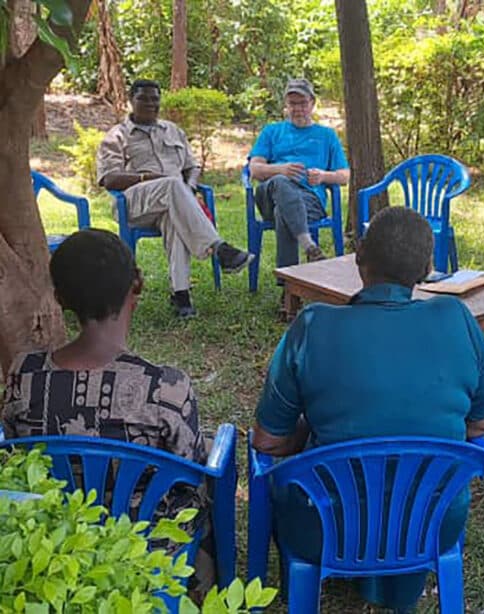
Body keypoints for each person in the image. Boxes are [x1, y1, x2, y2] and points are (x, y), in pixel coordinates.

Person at [252, 207, 484, 612]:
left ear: (359, 257)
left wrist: (309, 431)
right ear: (427, 268)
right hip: (433, 524)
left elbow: (268, 440)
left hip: (325, 528)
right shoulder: (457, 317)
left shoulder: (313, 325)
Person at [1, 228, 213, 592]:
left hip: (55, 550)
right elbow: (190, 474)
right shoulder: (165, 388)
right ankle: (204, 586)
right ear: (137, 286)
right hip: (147, 550)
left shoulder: (26, 376)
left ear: (60, 297)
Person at [97, 79, 253, 318]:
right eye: (143, 98)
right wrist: (145, 177)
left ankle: (181, 294)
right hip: (135, 203)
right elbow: (109, 179)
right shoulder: (117, 136)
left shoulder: (173, 130)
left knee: (176, 216)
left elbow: (192, 166)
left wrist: (189, 186)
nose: (151, 104)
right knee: (172, 185)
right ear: (131, 100)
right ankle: (218, 248)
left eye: (155, 98)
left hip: (174, 200)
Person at [248, 78, 350, 272]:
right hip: (270, 197)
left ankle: (288, 287)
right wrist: (280, 169)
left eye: (302, 103)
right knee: (280, 182)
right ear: (286, 105)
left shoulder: (327, 135)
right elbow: (255, 169)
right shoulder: (272, 131)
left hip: (309, 200)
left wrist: (323, 176)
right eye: (292, 104)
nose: (298, 109)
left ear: (313, 103)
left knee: (283, 212)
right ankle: (308, 245)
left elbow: (344, 176)